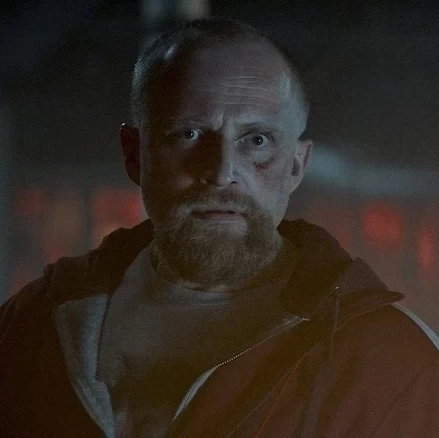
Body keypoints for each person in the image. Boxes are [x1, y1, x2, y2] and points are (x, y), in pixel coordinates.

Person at [1, 17, 438, 438]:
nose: (222, 171)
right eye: (189, 134)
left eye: (257, 140)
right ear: (134, 154)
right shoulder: (34, 324)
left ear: (296, 166)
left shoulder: (390, 363)